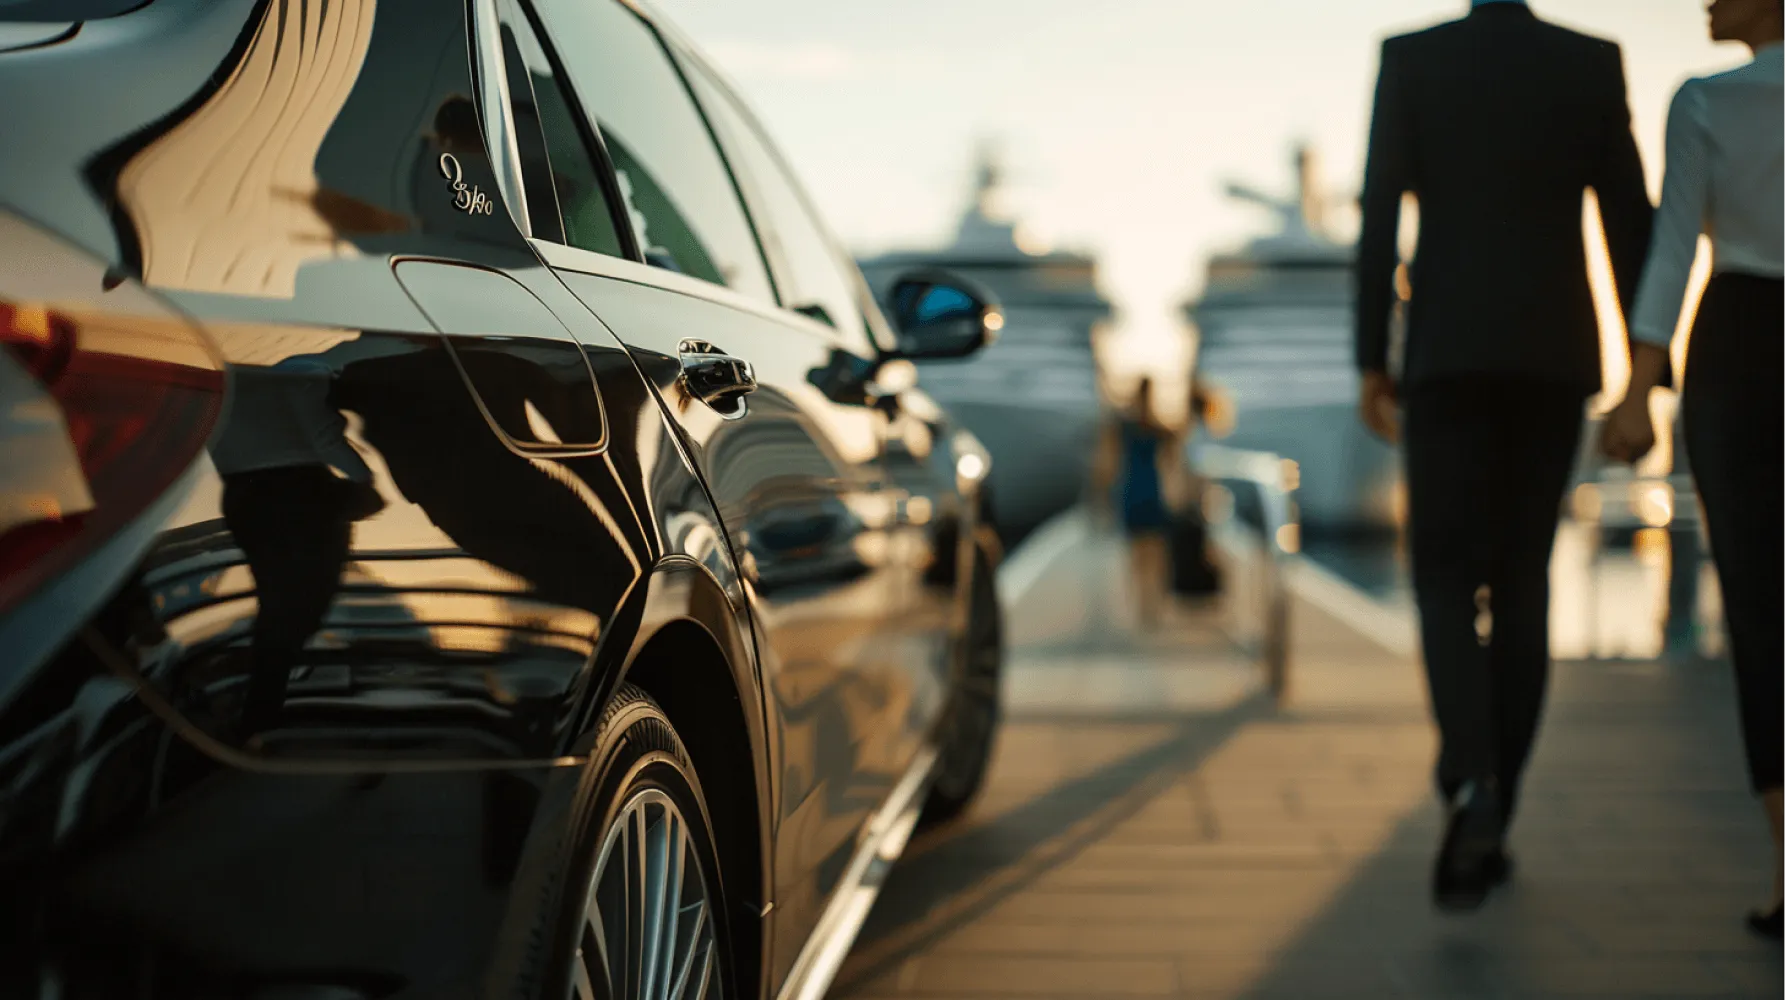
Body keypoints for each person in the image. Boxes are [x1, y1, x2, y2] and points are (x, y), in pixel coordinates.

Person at [1355, 0, 1655, 912]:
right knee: (1522, 579)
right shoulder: (1590, 62)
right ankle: (1497, 811)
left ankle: (1471, 781)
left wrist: (1371, 355)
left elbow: (1378, 216)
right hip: (1552, 356)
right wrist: (1645, 366)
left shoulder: (1410, 60)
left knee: (1444, 577)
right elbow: (1628, 223)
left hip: (1444, 356)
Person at [1600, 0, 1784, 942]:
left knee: (1757, 605)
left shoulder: (1708, 99)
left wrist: (1635, 393)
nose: (1703, 2)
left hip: (1744, 346)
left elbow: (1671, 253)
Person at [1093, 377, 1183, 630]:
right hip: (1146, 489)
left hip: (1137, 488)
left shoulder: (1127, 426)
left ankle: (1147, 602)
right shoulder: (1154, 426)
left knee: (1146, 551)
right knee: (1149, 551)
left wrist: (1101, 494)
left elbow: (1107, 461)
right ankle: (1149, 603)